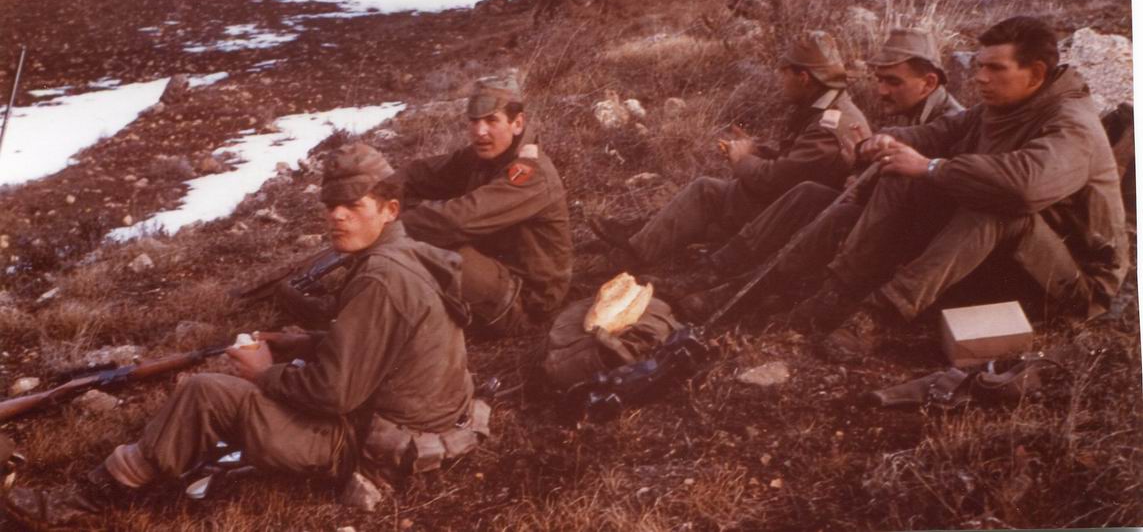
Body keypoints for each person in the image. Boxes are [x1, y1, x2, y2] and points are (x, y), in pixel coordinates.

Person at [3, 143, 489, 528]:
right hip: (427, 431)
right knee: (241, 386)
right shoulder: (407, 257)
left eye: (353, 205)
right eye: (330, 205)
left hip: (374, 446)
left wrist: (265, 372)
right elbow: (386, 347)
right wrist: (305, 344)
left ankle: (89, 498)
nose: (337, 215)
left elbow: (334, 393)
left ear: (389, 209)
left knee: (205, 393)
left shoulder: (380, 277)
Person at [797, 16, 1130, 363]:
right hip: (1013, 258)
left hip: (1075, 283)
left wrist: (929, 167)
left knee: (997, 206)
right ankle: (841, 291)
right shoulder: (1002, 107)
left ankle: (881, 315)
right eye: (980, 66)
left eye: (995, 68)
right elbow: (938, 133)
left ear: (1035, 73)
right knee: (900, 168)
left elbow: (1024, 188)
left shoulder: (1072, 123)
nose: (981, 77)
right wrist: (886, 142)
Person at [679, 28, 966, 317]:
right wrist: (858, 166)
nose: (881, 91)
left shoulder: (955, 125)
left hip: (920, 246)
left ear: (929, 83)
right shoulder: (917, 112)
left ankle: (745, 293)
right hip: (895, 222)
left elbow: (933, 203)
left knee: (836, 215)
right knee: (809, 194)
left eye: (892, 81)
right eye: (879, 80)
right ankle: (717, 272)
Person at [590, 30, 871, 272]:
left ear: (804, 77)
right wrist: (758, 150)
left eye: (784, 75)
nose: (781, 83)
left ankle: (626, 257)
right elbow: (798, 165)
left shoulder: (828, 123)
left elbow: (778, 182)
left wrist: (743, 160)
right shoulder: (826, 109)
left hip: (791, 220)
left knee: (706, 192)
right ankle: (640, 236)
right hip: (790, 209)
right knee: (708, 193)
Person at [400, 73, 573, 337]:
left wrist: (385, 222)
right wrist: (373, 196)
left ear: (517, 123)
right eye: (474, 121)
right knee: (416, 241)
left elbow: (455, 221)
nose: (480, 132)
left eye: (492, 120)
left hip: (525, 302)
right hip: (495, 275)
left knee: (429, 243)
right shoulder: (483, 155)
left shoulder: (531, 173)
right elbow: (417, 173)